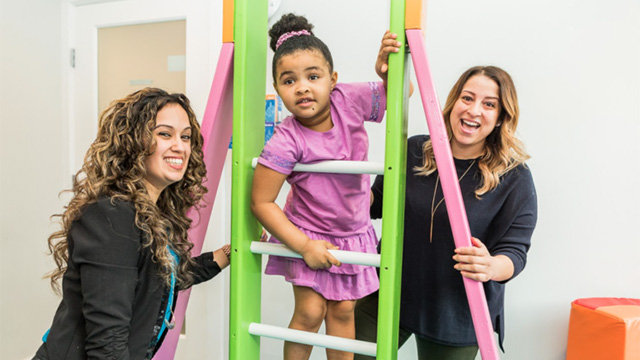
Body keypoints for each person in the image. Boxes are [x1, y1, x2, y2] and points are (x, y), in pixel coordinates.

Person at [354, 66, 538, 360]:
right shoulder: (415, 149)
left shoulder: (513, 177)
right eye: (467, 98)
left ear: (502, 116)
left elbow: (515, 252)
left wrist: (491, 266)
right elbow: (374, 204)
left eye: (489, 104)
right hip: (389, 293)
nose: (474, 110)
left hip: (456, 310)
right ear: (453, 102)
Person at [33, 88, 231, 360]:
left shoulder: (150, 212)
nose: (180, 146)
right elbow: (108, 344)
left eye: (185, 136)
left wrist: (224, 256)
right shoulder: (111, 216)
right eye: (165, 134)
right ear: (133, 141)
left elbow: (162, 278)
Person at [251, 13, 404, 360]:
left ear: (333, 80)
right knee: (309, 313)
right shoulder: (286, 139)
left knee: (343, 313)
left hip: (353, 231)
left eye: (313, 76)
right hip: (309, 232)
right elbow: (261, 202)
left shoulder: (348, 99)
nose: (302, 87)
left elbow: (401, 94)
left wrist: (386, 74)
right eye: (289, 81)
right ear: (278, 89)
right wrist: (304, 245)